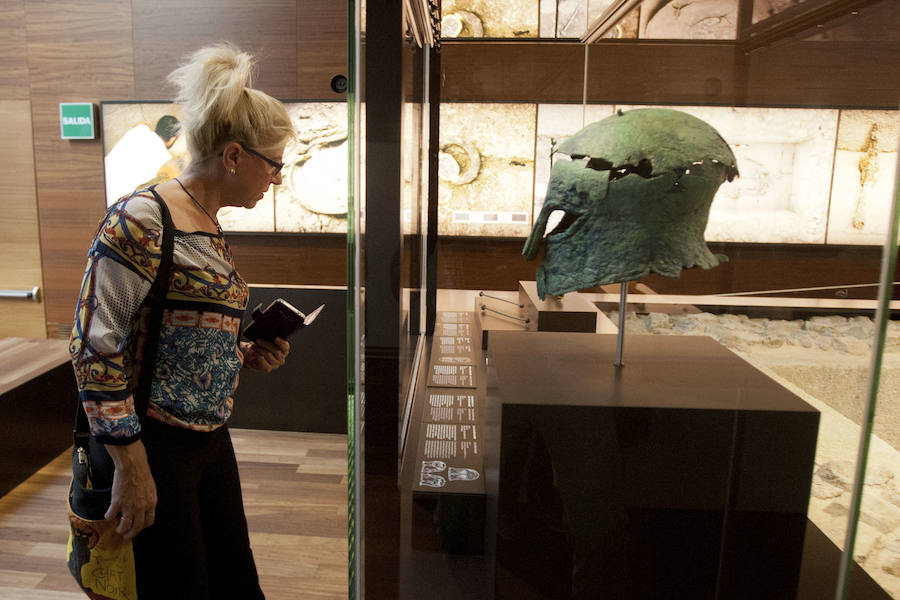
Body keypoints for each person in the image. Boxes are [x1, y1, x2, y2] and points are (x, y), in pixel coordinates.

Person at [69, 43, 294, 599]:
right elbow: (94, 347)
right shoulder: (142, 219)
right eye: (275, 164)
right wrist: (131, 464)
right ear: (236, 155)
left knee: (233, 581)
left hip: (208, 442)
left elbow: (176, 338)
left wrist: (242, 354)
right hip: (153, 448)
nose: (278, 179)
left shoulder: (205, 222)